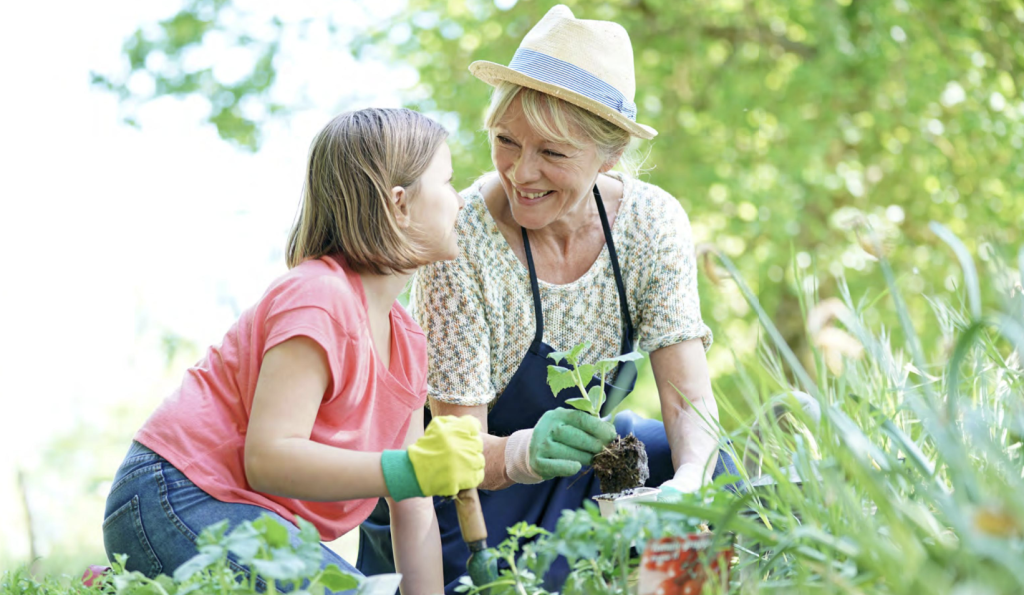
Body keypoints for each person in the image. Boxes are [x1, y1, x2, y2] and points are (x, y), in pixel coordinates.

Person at [356, 6, 739, 592]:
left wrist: (689, 482)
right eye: (506, 140)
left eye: (553, 153)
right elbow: (455, 450)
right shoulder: (461, 241)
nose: (520, 172)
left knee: (719, 474)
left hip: (582, 476)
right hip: (463, 501)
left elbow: (690, 399)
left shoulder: (649, 223)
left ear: (609, 157)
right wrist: (522, 454)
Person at [102, 108, 486, 595]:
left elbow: (411, 505)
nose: (459, 201)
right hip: (176, 495)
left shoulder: (408, 344)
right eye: (448, 183)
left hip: (256, 517)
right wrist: (404, 469)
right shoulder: (320, 296)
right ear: (399, 204)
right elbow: (270, 457)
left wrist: (410, 479)